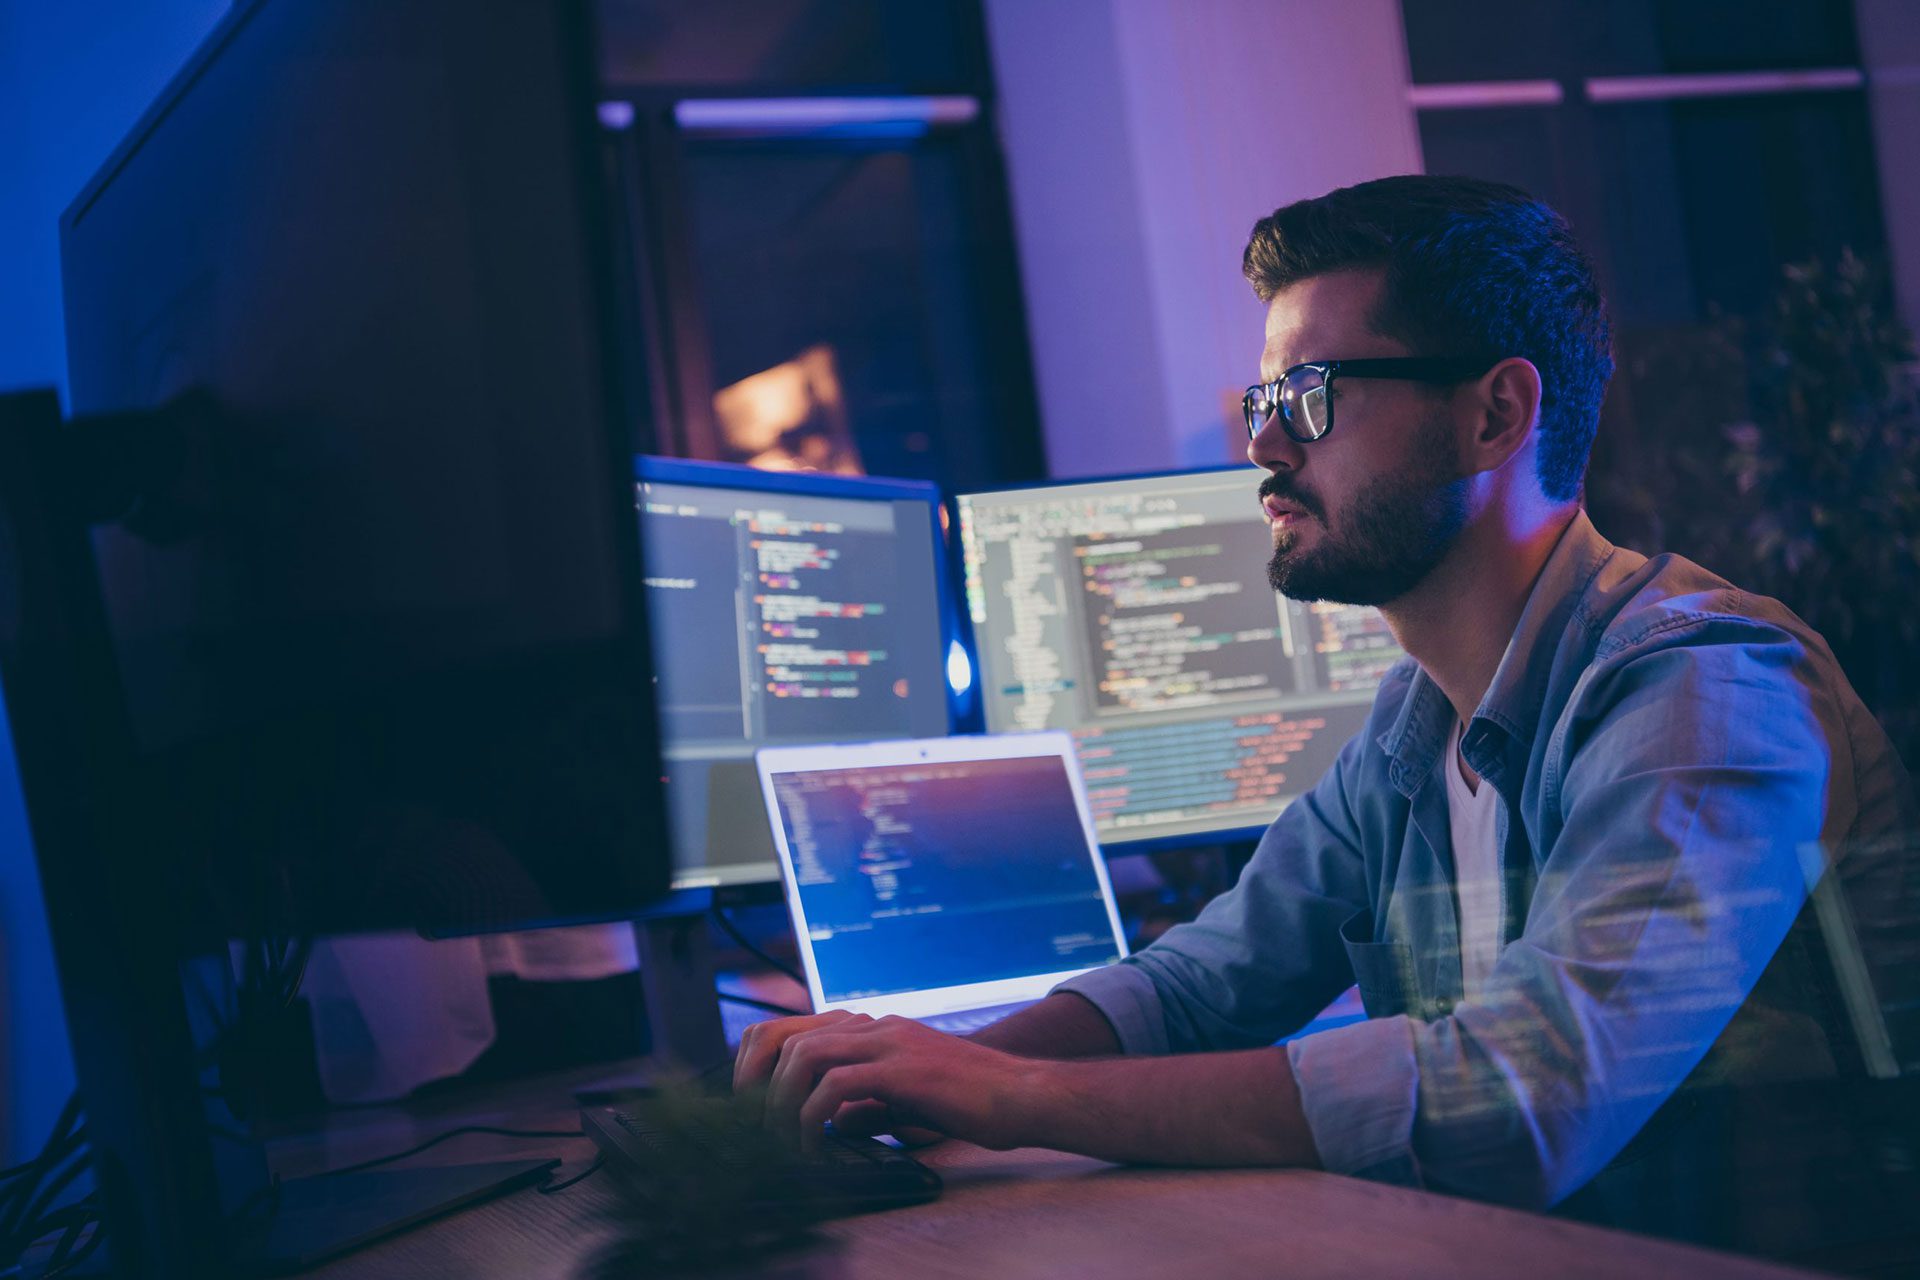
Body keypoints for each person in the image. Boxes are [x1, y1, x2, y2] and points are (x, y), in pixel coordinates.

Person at [732, 175, 1913, 1251]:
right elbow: (1202, 983)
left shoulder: (1706, 687)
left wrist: (1009, 1099)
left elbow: (1523, 1098)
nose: (1259, 440)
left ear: (1495, 416)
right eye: (1264, 394)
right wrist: (920, 1073)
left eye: (1308, 394)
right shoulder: (1412, 727)